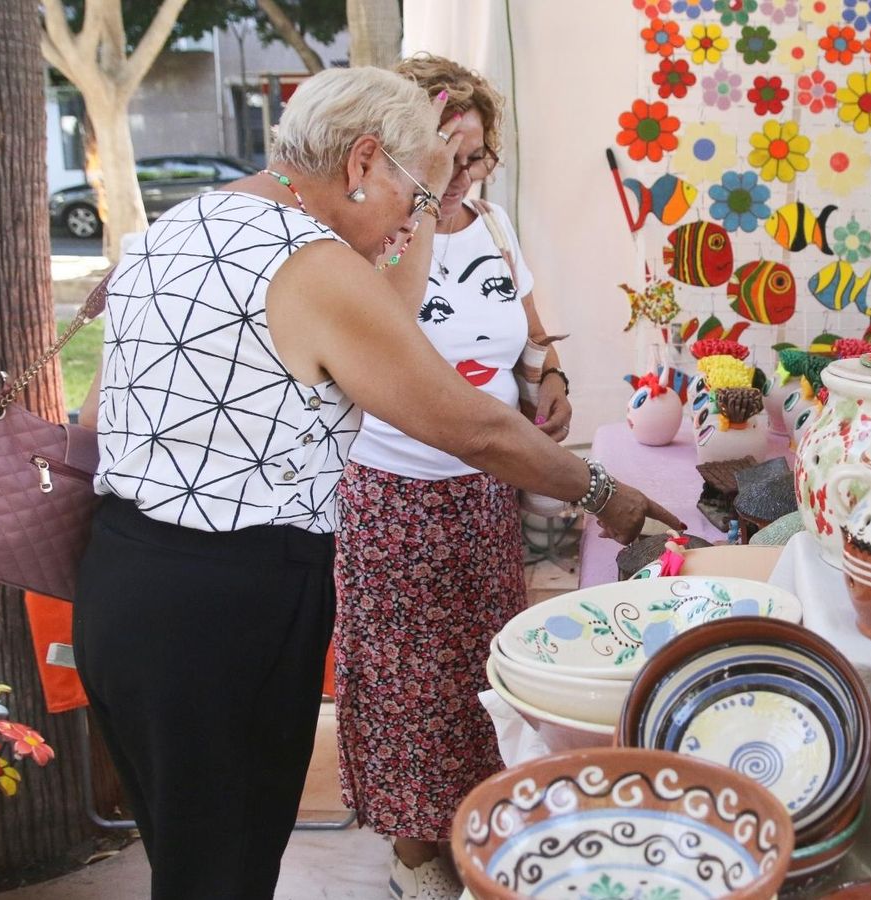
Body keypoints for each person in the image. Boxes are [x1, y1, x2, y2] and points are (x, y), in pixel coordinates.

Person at [72, 67, 683, 900]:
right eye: (413, 194)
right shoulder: (306, 261)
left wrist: (423, 202)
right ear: (363, 161)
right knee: (224, 868)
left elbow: (95, 416)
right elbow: (468, 423)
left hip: (123, 578)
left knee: (192, 857)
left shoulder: (181, 225)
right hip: (226, 603)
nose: (412, 218)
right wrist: (604, 492)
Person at [329, 54, 567, 899]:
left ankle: (473, 817)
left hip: (481, 493)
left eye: (476, 158)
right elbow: (385, 336)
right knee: (404, 682)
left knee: (478, 671)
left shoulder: (499, 230)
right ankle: (411, 854)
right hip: (393, 493)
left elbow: (533, 332)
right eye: (447, 158)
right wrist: (423, 208)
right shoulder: (368, 244)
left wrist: (551, 378)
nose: (466, 175)